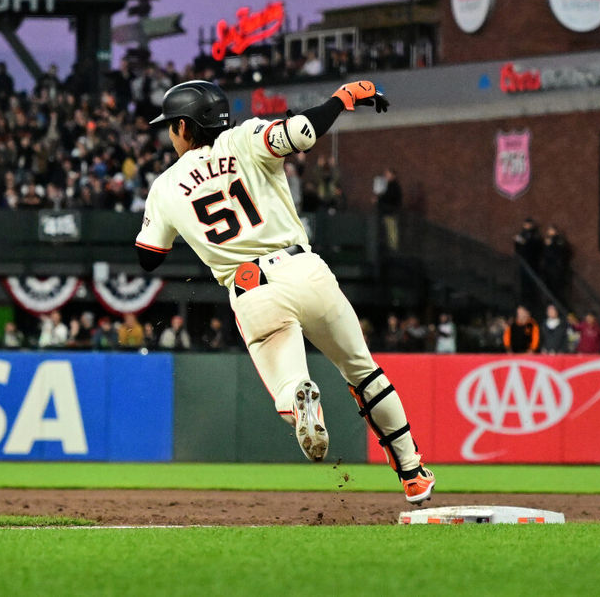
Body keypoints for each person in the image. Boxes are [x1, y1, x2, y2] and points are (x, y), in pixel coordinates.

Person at [134, 78, 434, 503]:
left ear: (184, 126)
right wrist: (343, 98)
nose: (168, 134)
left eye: (170, 125)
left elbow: (149, 256)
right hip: (303, 267)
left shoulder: (165, 186)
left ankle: (299, 398)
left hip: (251, 286)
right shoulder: (245, 138)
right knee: (364, 371)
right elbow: (303, 133)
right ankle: (412, 473)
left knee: (289, 384)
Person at [513, 218, 542, 303]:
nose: (527, 226)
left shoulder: (534, 235)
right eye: (526, 224)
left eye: (528, 224)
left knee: (531, 282)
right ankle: (524, 299)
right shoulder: (522, 234)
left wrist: (524, 242)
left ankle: (532, 299)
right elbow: (517, 247)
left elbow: (534, 247)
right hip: (523, 261)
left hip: (531, 262)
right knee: (523, 283)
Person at [373, 167, 403, 252]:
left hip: (390, 212)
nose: (385, 176)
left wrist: (378, 199)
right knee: (388, 230)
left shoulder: (393, 186)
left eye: (387, 174)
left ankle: (393, 249)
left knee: (391, 231)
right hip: (387, 211)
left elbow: (389, 197)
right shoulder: (389, 185)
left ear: (392, 175)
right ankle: (390, 248)